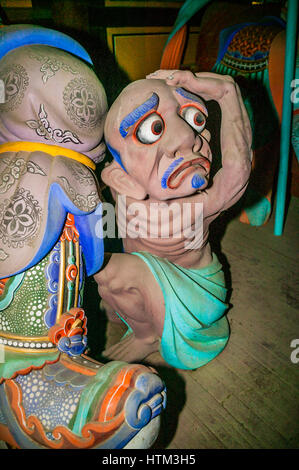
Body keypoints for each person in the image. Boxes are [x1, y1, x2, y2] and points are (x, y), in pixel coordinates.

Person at [94, 70, 252, 370]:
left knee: (110, 271)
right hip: (146, 280)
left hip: (195, 295)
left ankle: (148, 335)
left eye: (195, 118)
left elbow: (237, 168)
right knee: (104, 274)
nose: (187, 137)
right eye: (152, 129)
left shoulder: (198, 206)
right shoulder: (121, 189)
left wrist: (226, 93)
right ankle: (131, 308)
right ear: (119, 175)